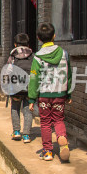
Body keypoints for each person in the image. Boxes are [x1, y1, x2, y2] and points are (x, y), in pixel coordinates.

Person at [28, 22, 72, 162]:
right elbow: (69, 74)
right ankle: (61, 138)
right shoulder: (64, 53)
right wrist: (68, 93)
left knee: (45, 123)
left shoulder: (38, 57)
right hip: (60, 93)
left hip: (44, 95)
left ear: (38, 38)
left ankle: (47, 151)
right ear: (54, 36)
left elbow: (34, 78)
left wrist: (31, 99)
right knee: (58, 120)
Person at [8, 33, 33, 143]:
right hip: (28, 87)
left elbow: (8, 71)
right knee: (27, 110)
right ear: (27, 44)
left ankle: (17, 132)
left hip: (16, 88)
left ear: (15, 44)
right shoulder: (33, 55)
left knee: (15, 108)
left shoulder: (12, 56)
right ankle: (26, 135)